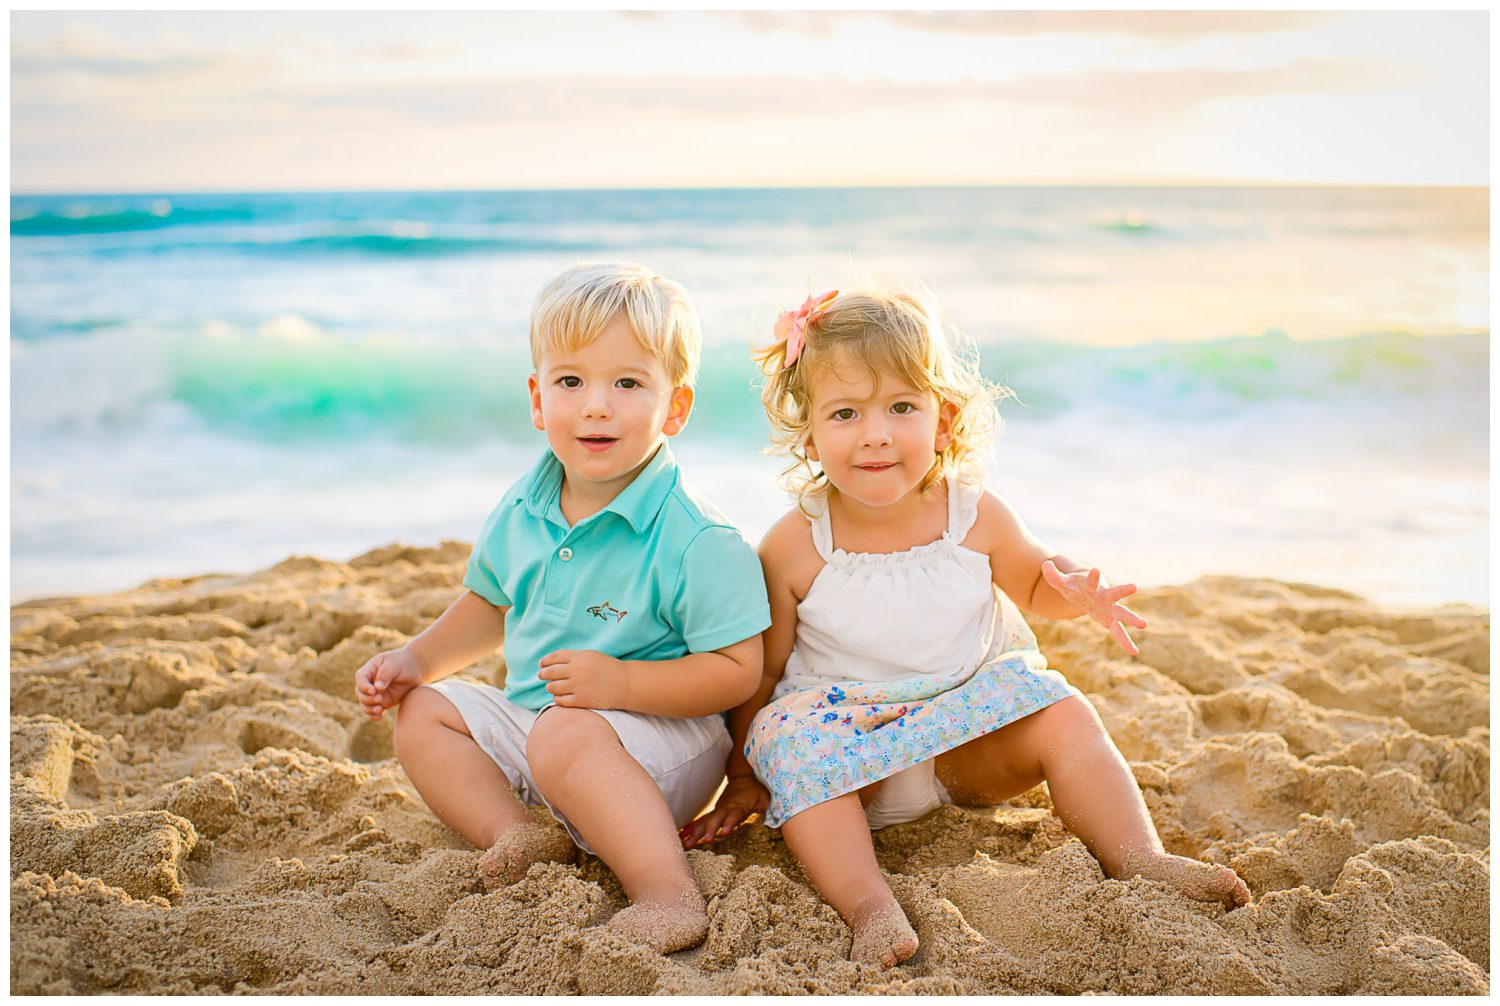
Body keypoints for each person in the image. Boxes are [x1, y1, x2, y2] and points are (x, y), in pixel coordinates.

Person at [681, 285, 1251, 968]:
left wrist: (1075, 590)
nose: (876, 432)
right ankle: (868, 905)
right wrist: (744, 774)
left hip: (966, 740)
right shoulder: (797, 542)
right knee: (793, 748)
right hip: (847, 759)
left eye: (901, 407)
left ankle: (1138, 856)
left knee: (1063, 710)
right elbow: (765, 673)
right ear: (809, 434)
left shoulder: (972, 514)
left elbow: (1039, 579)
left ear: (943, 418)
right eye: (845, 412)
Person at [355, 262, 770, 954]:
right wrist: (416, 658)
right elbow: (489, 604)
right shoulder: (525, 504)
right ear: (538, 399)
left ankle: (667, 891)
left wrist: (623, 684)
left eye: (628, 383)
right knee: (425, 711)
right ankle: (519, 833)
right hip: (541, 723)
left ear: (676, 407)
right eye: (571, 381)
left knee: (566, 734)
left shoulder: (696, 537)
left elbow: (738, 671)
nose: (595, 405)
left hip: (656, 743)